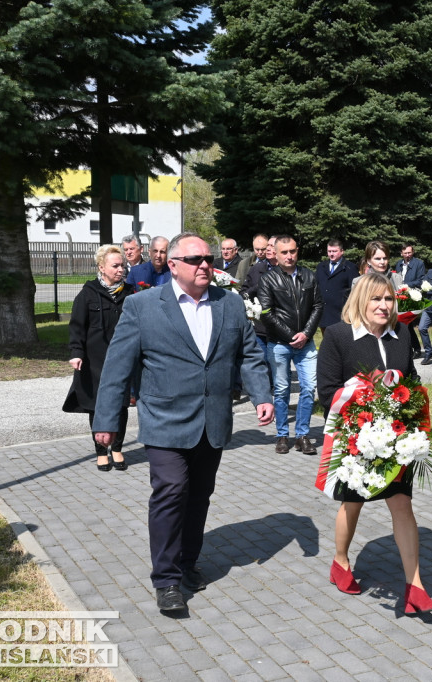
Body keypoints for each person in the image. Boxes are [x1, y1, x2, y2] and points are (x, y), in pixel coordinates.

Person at [92, 232, 274, 613]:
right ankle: (167, 580)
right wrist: (106, 419)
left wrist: (262, 396)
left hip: (213, 421)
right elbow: (117, 367)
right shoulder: (142, 306)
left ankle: (188, 562)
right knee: (172, 491)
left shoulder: (230, 304)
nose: (205, 264)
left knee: (199, 495)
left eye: (208, 257)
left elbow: (250, 354)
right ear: (173, 266)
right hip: (164, 420)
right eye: (195, 259)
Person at [317, 272, 432, 614]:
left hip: (396, 440)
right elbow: (326, 393)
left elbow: (411, 379)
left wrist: (413, 422)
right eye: (376, 299)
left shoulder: (401, 333)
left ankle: (415, 587)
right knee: (352, 504)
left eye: (388, 299)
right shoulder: (339, 337)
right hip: (356, 440)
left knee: (402, 504)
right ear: (360, 300)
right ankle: (341, 561)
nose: (383, 306)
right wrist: (362, 409)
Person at [62, 245, 135, 472]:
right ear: (101, 267)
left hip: (122, 360)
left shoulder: (131, 293)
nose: (120, 269)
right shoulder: (87, 294)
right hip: (94, 361)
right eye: (115, 266)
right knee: (97, 406)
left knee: (121, 405)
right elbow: (77, 327)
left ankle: (117, 449)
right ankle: (101, 452)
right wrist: (76, 353)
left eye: (122, 265)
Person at [257, 234, 323, 455]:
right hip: (279, 344)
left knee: (308, 388)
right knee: (283, 389)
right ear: (275, 254)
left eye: (292, 251)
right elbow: (267, 313)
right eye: (284, 252)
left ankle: (302, 435)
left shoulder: (308, 276)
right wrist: (291, 336)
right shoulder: (268, 279)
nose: (289, 256)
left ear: (297, 251)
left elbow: (318, 306)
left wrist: (305, 334)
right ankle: (282, 435)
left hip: (305, 343)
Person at [315, 238, 355, 334]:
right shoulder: (321, 267)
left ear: (342, 252)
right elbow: (316, 287)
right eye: (329, 251)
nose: (331, 254)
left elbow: (355, 290)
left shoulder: (350, 267)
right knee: (327, 342)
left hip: (341, 313)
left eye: (334, 251)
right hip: (324, 312)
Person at [393, 244, 426, 358]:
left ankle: (416, 349)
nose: (407, 255)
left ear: (413, 252)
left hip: (411, 296)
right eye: (405, 253)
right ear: (401, 253)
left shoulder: (419, 264)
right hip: (400, 297)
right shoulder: (399, 264)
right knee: (401, 325)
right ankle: (407, 349)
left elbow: (421, 280)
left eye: (409, 253)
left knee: (408, 324)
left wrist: (406, 285)